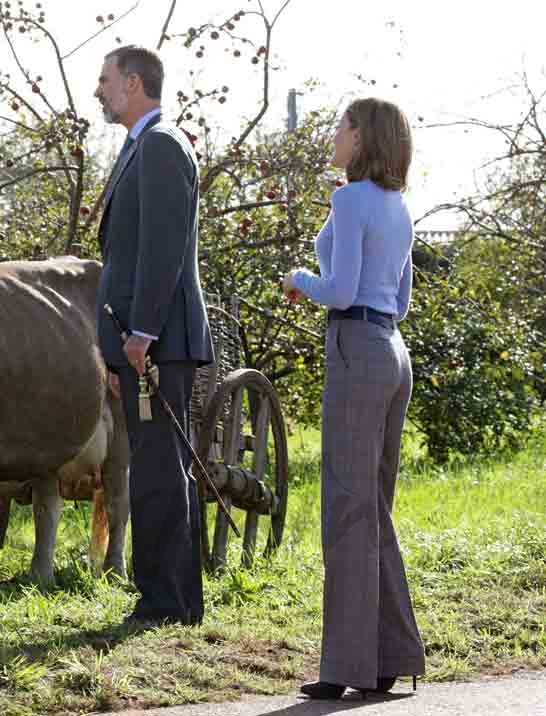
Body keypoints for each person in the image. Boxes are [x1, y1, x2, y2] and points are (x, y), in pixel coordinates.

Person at [282, 97, 426, 698]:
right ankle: (388, 656)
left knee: (346, 509)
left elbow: (339, 290)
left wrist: (298, 281)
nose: (333, 134)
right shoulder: (399, 207)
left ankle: (345, 668)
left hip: (356, 349)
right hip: (393, 352)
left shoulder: (347, 201)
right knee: (372, 508)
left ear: (362, 138)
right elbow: (404, 294)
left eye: (341, 126)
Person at [93, 46, 214, 627]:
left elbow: (162, 250)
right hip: (142, 339)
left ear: (135, 82)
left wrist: (141, 332)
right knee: (158, 466)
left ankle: (167, 602)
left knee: (161, 471)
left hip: (156, 341)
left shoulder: (162, 145)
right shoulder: (142, 145)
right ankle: (175, 599)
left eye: (106, 80)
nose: (99, 90)